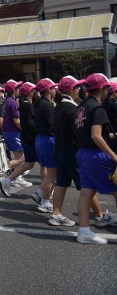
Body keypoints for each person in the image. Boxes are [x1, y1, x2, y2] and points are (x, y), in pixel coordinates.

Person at [51, 75, 105, 227]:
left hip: (59, 150)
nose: (79, 90)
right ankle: (100, 216)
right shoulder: (72, 108)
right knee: (87, 186)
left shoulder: (59, 106)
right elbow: (78, 132)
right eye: (77, 87)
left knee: (61, 183)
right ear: (71, 90)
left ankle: (56, 213)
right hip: (72, 152)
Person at [74, 73, 117, 243]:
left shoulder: (82, 106)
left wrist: (111, 136)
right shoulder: (98, 108)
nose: (109, 91)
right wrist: (113, 155)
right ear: (101, 88)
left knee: (86, 193)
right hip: (96, 155)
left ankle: (84, 231)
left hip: (83, 153)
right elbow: (96, 136)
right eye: (107, 88)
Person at [0, 82, 36, 196]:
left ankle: (16, 177)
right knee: (21, 159)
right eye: (17, 87)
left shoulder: (6, 101)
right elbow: (16, 120)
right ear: (14, 90)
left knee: (21, 158)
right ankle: (0, 170)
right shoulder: (12, 102)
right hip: (13, 132)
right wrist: (24, 129)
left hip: (8, 131)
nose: (19, 89)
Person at [34, 78, 58, 213]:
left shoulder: (38, 103)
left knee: (47, 171)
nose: (55, 90)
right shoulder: (48, 105)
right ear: (49, 90)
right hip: (48, 140)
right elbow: (52, 124)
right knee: (52, 174)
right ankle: (44, 200)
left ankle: (39, 193)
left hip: (40, 139)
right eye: (53, 88)